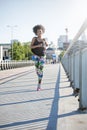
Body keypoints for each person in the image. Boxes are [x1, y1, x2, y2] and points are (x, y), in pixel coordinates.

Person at [30, 25, 48, 91]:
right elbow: (31, 47)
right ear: (36, 33)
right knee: (37, 70)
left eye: (40, 31)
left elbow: (46, 46)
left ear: (42, 32)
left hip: (42, 56)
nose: (39, 33)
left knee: (41, 71)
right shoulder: (34, 39)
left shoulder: (44, 39)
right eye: (38, 32)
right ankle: (37, 70)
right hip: (36, 56)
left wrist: (45, 45)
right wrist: (38, 45)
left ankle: (39, 86)